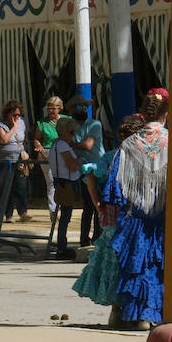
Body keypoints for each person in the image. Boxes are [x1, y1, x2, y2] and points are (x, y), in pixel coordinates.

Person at [103, 95, 168, 329]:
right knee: (157, 266)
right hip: (163, 215)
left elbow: (115, 183)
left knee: (135, 265)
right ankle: (150, 315)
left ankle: (132, 314)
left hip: (135, 215)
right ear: (165, 115)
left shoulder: (129, 144)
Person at [74, 114, 144, 314]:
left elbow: (90, 174)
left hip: (114, 218)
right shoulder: (143, 160)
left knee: (114, 263)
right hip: (135, 220)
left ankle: (117, 311)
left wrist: (97, 204)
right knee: (132, 262)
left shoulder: (111, 157)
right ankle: (131, 309)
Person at [51, 116, 92, 259]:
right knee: (65, 217)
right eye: (72, 132)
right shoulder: (62, 145)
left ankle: (62, 246)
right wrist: (81, 160)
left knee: (65, 216)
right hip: (66, 183)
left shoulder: (57, 144)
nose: (73, 136)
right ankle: (62, 248)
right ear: (65, 132)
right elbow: (72, 165)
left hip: (63, 182)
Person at [68, 96, 106, 241]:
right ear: (72, 110)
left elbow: (88, 145)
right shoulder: (71, 127)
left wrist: (70, 144)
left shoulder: (95, 124)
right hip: (83, 171)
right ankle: (84, 238)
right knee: (87, 207)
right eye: (78, 107)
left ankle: (97, 237)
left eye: (85, 106)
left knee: (98, 205)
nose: (82, 109)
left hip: (98, 169)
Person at [0, 100, 30, 222]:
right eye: (14, 115)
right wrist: (14, 127)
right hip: (5, 161)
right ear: (8, 113)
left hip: (19, 159)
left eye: (18, 115)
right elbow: (4, 140)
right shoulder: (0, 126)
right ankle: (8, 215)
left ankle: (23, 212)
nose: (16, 117)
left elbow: (23, 138)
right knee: (7, 188)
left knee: (21, 186)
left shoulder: (22, 123)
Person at [33, 95, 64, 212]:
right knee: (51, 182)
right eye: (49, 108)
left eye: (53, 108)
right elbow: (36, 139)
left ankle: (62, 207)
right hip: (47, 154)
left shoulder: (66, 120)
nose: (50, 110)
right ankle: (53, 210)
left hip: (63, 154)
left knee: (62, 182)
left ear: (59, 108)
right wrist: (39, 146)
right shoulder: (42, 123)